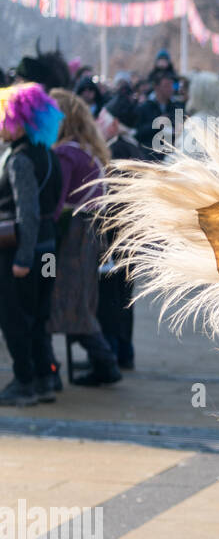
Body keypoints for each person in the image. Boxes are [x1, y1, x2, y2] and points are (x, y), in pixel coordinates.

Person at [46, 90, 122, 387]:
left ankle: (103, 363)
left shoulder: (66, 153)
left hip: (73, 238)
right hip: (91, 235)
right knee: (81, 300)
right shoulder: (89, 152)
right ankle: (102, 361)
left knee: (66, 300)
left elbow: (57, 200)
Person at [0, 83, 64, 406]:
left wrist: (22, 258)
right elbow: (54, 205)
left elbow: (27, 210)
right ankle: (43, 378)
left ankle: (24, 380)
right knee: (39, 316)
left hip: (22, 250)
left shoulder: (19, 160)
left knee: (15, 317)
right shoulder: (49, 155)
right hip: (48, 249)